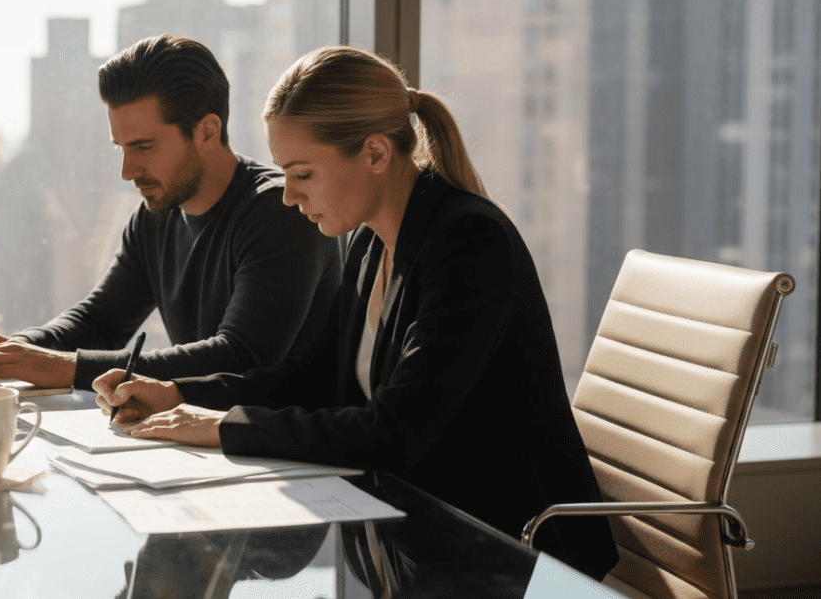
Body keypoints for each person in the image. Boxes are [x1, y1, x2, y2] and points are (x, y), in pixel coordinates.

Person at [93, 45, 619, 580]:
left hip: (514, 559)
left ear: (373, 154)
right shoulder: (370, 244)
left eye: (302, 174)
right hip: (416, 545)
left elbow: (394, 431)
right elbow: (310, 378)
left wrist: (224, 427)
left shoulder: (469, 243)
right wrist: (182, 395)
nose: (288, 196)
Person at [0, 34, 342, 392]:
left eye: (143, 147)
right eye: (121, 149)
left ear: (207, 132)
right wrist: (9, 350)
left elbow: (239, 356)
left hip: (293, 464)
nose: (128, 171)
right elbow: (101, 321)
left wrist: (63, 368)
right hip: (205, 441)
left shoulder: (280, 211)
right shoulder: (156, 214)